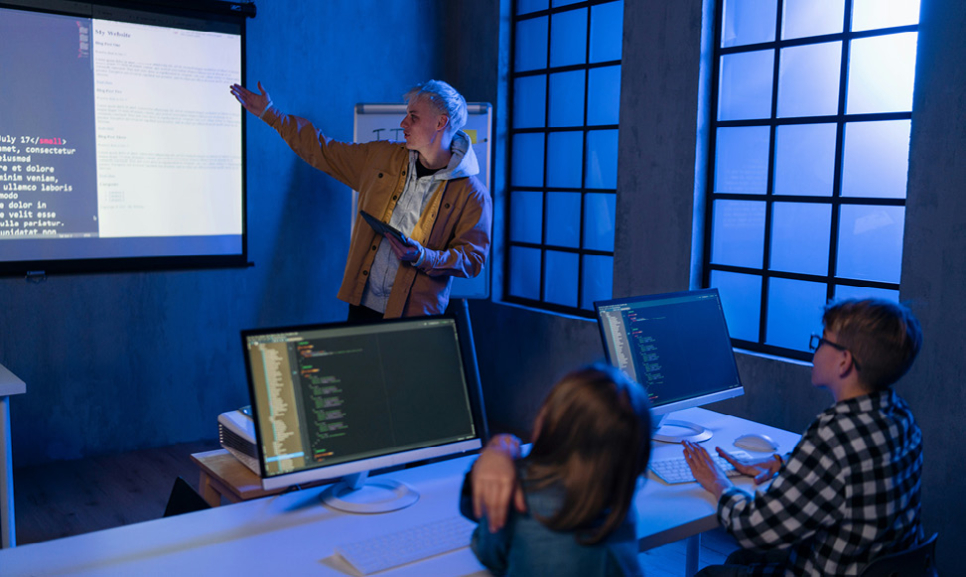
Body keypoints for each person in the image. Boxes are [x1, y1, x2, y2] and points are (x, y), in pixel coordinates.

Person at [683, 298, 924, 576]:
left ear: (844, 361)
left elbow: (756, 529)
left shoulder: (833, 433)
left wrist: (718, 482)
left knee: (711, 573)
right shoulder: (900, 415)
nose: (815, 349)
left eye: (821, 341)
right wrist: (783, 463)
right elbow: (855, 470)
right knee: (741, 558)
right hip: (873, 565)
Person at [229, 80, 491, 320]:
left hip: (414, 318)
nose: (403, 124)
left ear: (440, 122)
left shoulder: (473, 195)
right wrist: (271, 114)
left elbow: (473, 259)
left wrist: (424, 257)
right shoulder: (381, 156)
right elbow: (323, 150)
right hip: (362, 305)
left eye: (413, 117)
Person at [460, 364, 652, 576]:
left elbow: (488, 554)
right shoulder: (619, 496)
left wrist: (495, 451)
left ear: (552, 427)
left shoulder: (520, 494)